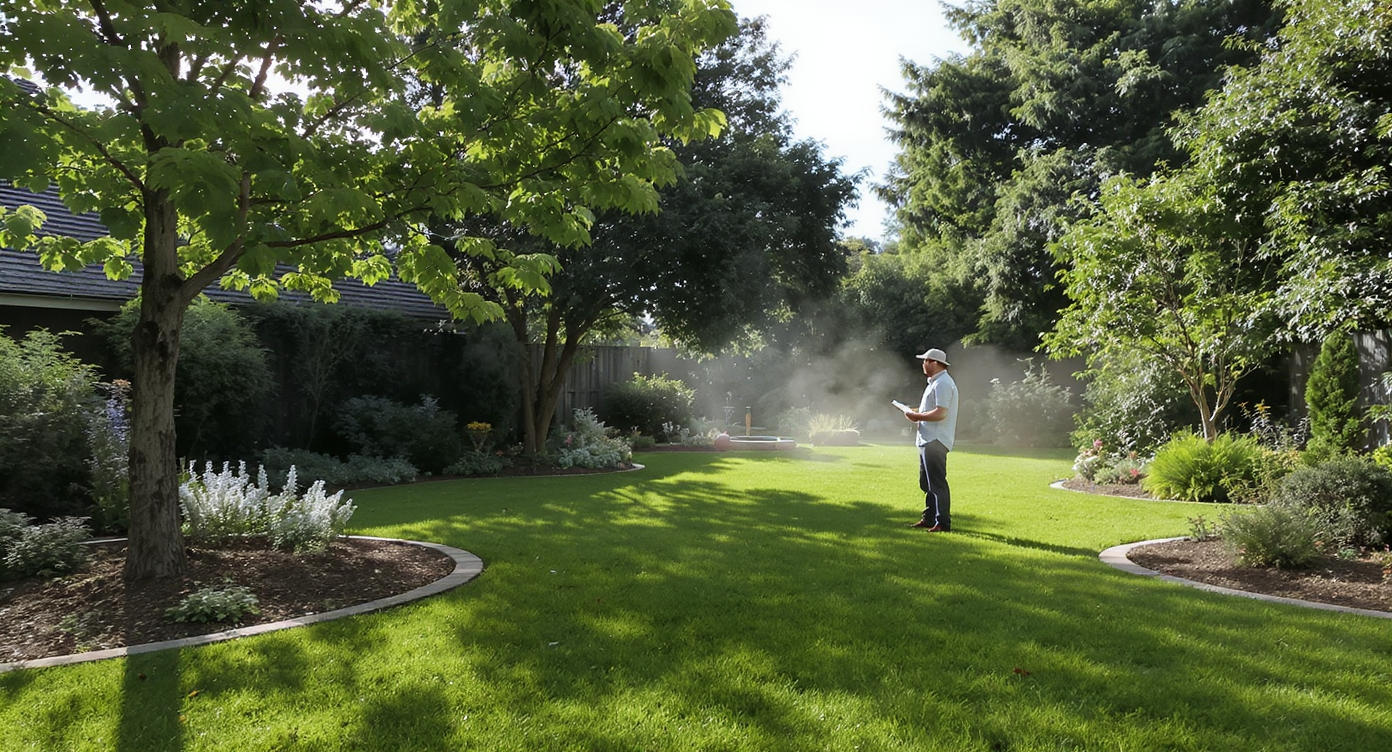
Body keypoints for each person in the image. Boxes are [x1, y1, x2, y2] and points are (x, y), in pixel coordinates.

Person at [904, 347, 958, 532]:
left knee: (937, 483)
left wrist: (917, 417)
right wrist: (916, 413)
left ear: (934, 363)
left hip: (935, 440)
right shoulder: (935, 383)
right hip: (927, 439)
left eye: (925, 361)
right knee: (926, 483)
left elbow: (941, 413)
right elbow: (934, 410)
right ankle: (929, 518)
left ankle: (942, 523)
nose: (923, 364)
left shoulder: (942, 383)